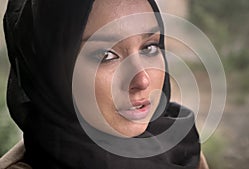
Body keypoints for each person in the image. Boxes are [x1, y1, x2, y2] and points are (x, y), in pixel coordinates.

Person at [0, 0, 209, 168]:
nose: (143, 80)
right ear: (51, 72)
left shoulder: (180, 148)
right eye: (106, 55)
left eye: (149, 47)